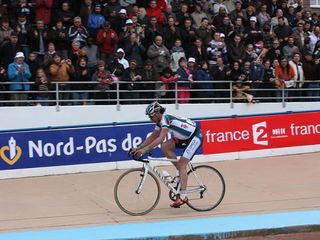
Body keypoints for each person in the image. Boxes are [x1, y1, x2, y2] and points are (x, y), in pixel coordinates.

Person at [130, 101, 203, 208]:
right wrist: (138, 148)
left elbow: (160, 138)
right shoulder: (159, 122)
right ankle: (181, 172)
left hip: (195, 137)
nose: (150, 119)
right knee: (165, 147)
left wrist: (144, 150)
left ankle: (183, 197)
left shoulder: (165, 119)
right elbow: (153, 136)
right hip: (184, 137)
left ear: (156, 114)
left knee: (182, 165)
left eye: (151, 117)